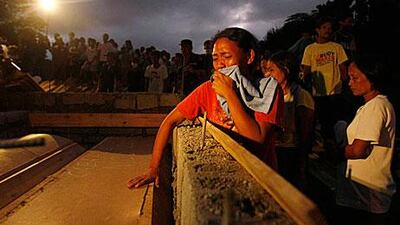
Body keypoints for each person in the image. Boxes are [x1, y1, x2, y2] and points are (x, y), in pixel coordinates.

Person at [128, 27, 284, 189]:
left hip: (263, 183)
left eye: (227, 57)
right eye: (215, 58)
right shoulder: (208, 90)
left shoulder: (268, 91)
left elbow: (257, 139)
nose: (220, 64)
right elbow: (169, 122)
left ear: (249, 56)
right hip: (225, 182)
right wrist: (154, 169)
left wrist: (229, 94)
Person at [335, 54, 396, 223]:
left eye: (355, 78)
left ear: (372, 78)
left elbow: (358, 150)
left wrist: (336, 152)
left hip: (369, 195)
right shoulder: (369, 106)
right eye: (349, 78)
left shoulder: (376, 106)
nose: (350, 83)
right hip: (362, 194)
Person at [265, 51, 314, 191]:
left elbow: (306, 132)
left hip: (290, 153)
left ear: (285, 70)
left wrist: (301, 162)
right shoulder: (271, 95)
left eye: (271, 70)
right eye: (266, 70)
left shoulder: (301, 96)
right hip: (275, 149)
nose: (266, 74)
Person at [301, 16, 348, 150]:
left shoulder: (337, 47)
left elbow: (342, 67)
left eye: (329, 28)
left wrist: (345, 85)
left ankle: (338, 148)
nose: (328, 30)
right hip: (319, 93)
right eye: (324, 27)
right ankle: (328, 149)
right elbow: (306, 71)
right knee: (323, 122)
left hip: (335, 91)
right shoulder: (310, 49)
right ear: (317, 30)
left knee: (336, 121)